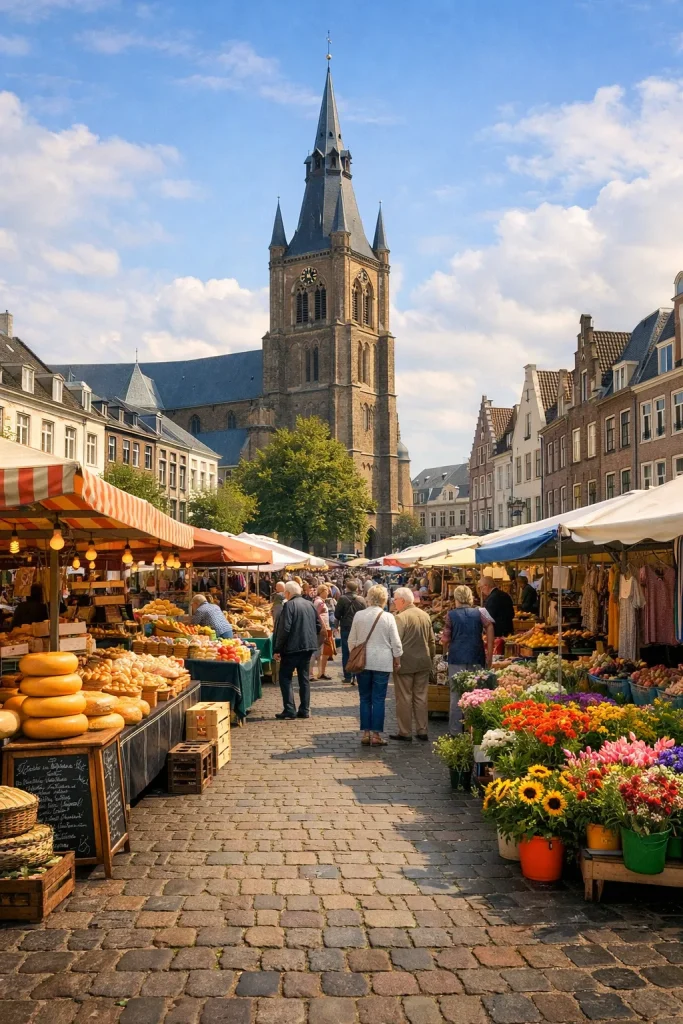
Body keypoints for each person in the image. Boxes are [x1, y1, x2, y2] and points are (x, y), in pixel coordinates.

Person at [348, 584, 402, 747]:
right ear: (384, 599)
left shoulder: (359, 615)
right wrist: (397, 660)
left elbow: (351, 640)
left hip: (362, 663)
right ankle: (376, 735)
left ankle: (365, 733)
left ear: (368, 598)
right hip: (382, 663)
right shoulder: (388, 617)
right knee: (378, 699)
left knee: (364, 698)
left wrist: (355, 654)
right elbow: (396, 643)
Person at [441, 585, 495, 735]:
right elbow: (490, 627)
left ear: (456, 598)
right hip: (476, 656)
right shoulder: (481, 612)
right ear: (470, 597)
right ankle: (474, 730)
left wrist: (445, 645)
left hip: (456, 657)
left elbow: (445, 639)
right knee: (476, 693)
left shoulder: (450, 615)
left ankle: (455, 732)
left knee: (456, 694)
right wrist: (489, 653)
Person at [390, 587, 435, 742]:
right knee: (421, 696)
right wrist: (431, 658)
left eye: (395, 599)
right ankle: (422, 730)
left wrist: (394, 661)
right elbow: (431, 641)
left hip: (405, 663)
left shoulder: (401, 618)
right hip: (423, 661)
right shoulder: (425, 615)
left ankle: (405, 731)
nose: (394, 602)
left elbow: (396, 643)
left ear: (402, 600)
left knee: (404, 697)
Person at [272, 581, 319, 720]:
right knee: (303, 678)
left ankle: (290, 709)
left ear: (287, 593)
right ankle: (304, 709)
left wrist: (277, 648)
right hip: (307, 646)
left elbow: (284, 629)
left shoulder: (289, 605)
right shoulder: (309, 604)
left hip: (292, 648)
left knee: (285, 677)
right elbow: (318, 625)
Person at [335, 580, 366, 684]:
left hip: (346, 628)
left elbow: (337, 615)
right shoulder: (361, 599)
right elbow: (365, 613)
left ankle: (347, 675)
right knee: (357, 651)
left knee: (346, 652)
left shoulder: (342, 599)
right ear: (356, 589)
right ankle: (356, 675)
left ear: (347, 588)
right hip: (359, 628)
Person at [480, 575, 515, 653]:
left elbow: (488, 618)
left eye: (481, 587)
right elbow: (512, 614)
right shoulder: (506, 595)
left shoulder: (491, 598)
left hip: (497, 634)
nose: (481, 590)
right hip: (509, 631)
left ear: (486, 586)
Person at [312, 585, 333, 680]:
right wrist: (324, 627)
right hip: (322, 629)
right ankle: (312, 673)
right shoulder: (319, 602)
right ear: (322, 591)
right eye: (327, 591)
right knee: (317, 651)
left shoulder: (319, 601)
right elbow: (317, 615)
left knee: (321, 651)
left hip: (323, 628)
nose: (328, 593)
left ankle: (320, 672)